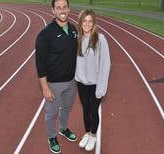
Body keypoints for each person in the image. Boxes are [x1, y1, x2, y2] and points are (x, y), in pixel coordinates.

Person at [35, 0, 78, 153]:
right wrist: (45, 87)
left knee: (66, 108)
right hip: (54, 83)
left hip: (71, 81)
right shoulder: (45, 34)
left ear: (69, 9)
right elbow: (40, 64)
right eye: (58, 7)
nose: (62, 10)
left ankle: (63, 128)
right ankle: (51, 136)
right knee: (52, 113)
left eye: (64, 7)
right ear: (53, 11)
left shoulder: (73, 30)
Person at [75, 9, 111, 152]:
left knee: (93, 110)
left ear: (94, 23)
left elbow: (106, 64)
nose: (87, 24)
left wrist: (101, 87)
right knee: (85, 109)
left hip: (96, 83)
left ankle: (93, 135)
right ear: (80, 22)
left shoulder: (100, 39)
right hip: (81, 82)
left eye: (90, 21)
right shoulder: (77, 38)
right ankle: (87, 133)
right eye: (84, 21)